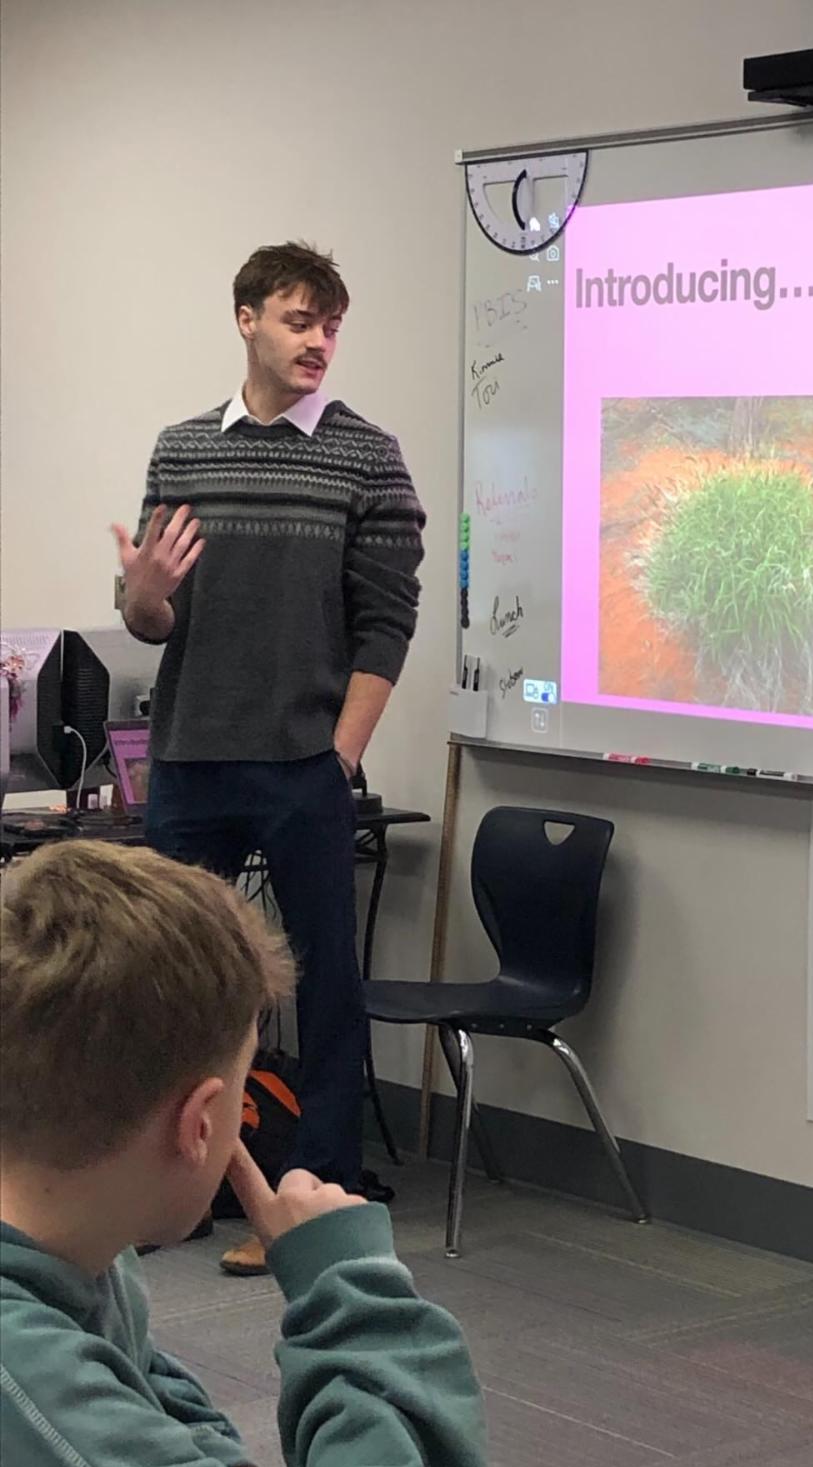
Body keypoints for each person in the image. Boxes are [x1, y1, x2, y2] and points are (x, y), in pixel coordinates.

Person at [0, 841, 497, 1467]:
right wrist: (353, 1294)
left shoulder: (73, 1254)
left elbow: (137, 1392)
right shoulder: (22, 1376)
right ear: (203, 1122)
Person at [112, 240, 424, 1274]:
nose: (319, 343)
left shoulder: (366, 456)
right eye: (299, 321)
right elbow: (153, 617)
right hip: (191, 757)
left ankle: (312, 1196)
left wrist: (338, 758)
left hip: (302, 764)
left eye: (331, 325)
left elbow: (386, 626)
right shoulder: (182, 449)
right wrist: (142, 591)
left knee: (322, 981)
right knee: (170, 980)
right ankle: (168, 1189)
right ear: (246, 319)